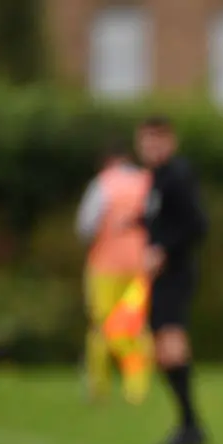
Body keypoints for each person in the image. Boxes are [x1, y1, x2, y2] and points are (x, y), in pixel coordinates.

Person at [135, 116, 208, 444]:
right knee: (163, 347)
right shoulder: (157, 178)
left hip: (176, 274)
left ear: (170, 142)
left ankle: (190, 426)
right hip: (162, 276)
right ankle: (188, 424)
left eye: (156, 141)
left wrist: (164, 250)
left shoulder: (177, 175)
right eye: (145, 141)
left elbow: (196, 224)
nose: (150, 147)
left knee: (171, 343)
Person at [76, 142, 153, 405]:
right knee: (134, 326)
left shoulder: (102, 184)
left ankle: (99, 387)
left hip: (104, 267)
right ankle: (136, 387)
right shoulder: (147, 181)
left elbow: (86, 225)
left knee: (101, 326)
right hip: (140, 266)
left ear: (108, 161)